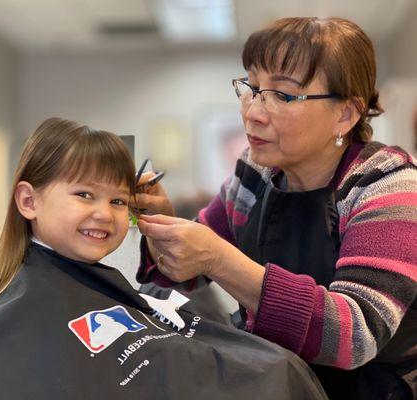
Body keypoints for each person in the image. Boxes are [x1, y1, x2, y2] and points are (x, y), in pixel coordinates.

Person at [0, 118, 327, 399]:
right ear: (28, 200)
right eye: (84, 194)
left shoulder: (111, 290)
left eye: (119, 200)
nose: (104, 213)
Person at [136, 17, 417, 400]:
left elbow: (353, 335)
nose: (253, 112)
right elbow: (188, 271)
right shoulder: (256, 171)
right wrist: (163, 228)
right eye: (251, 88)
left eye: (282, 96)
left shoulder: (385, 185)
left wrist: (220, 260)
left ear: (345, 115)